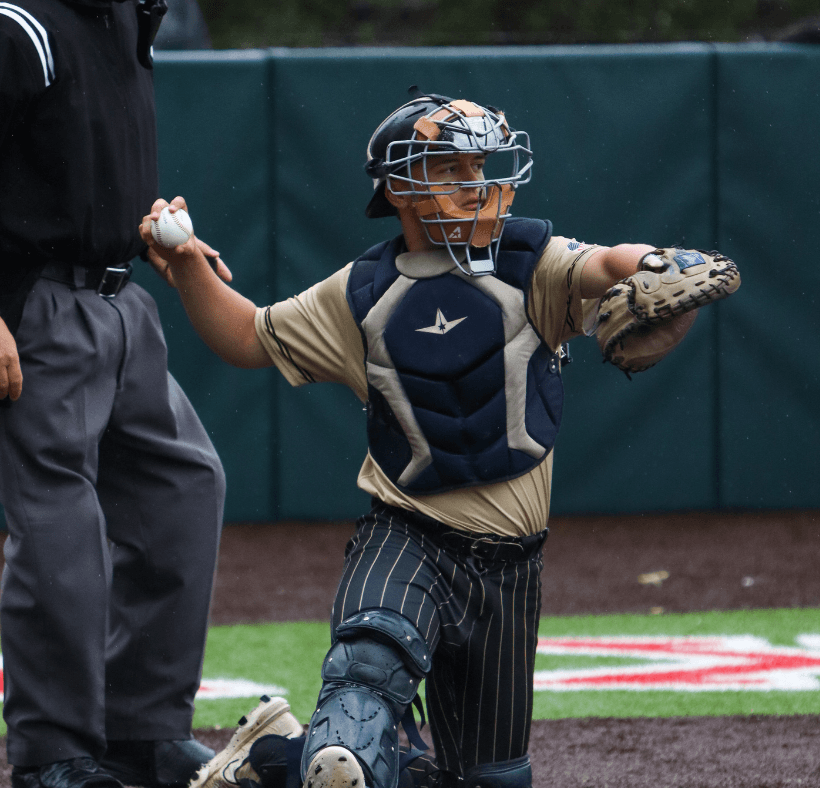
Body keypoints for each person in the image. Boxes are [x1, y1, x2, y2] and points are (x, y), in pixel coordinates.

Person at [140, 88, 725, 788]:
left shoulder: (531, 262)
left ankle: (269, 757)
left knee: (485, 779)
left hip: (512, 568)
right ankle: (325, 749)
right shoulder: (362, 291)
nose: (473, 182)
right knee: (356, 715)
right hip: (408, 537)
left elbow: (606, 265)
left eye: (477, 167)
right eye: (448, 169)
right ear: (398, 189)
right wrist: (186, 268)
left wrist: (658, 264)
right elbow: (246, 335)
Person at [0, 2, 229, 788]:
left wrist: (147, 225)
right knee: (59, 526)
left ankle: (142, 730)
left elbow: (60, 165)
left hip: (123, 297)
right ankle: (53, 753)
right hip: (36, 306)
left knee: (183, 486)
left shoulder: (125, 16)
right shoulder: (20, 20)